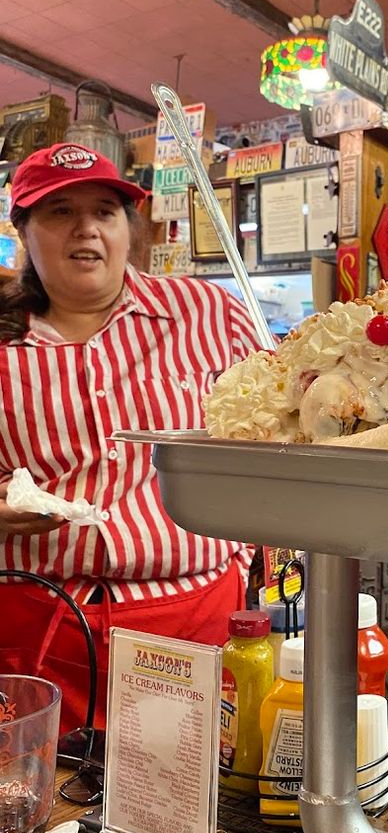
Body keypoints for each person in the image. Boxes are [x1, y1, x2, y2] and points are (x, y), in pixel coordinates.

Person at [0, 143, 262, 733]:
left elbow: (267, 441)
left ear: (127, 227)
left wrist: (239, 563)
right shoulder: (2, 336)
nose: (86, 228)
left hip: (192, 615)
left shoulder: (208, 315)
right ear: (24, 229)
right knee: (40, 805)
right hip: (38, 624)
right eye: (59, 211)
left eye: (104, 210)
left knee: (191, 798)